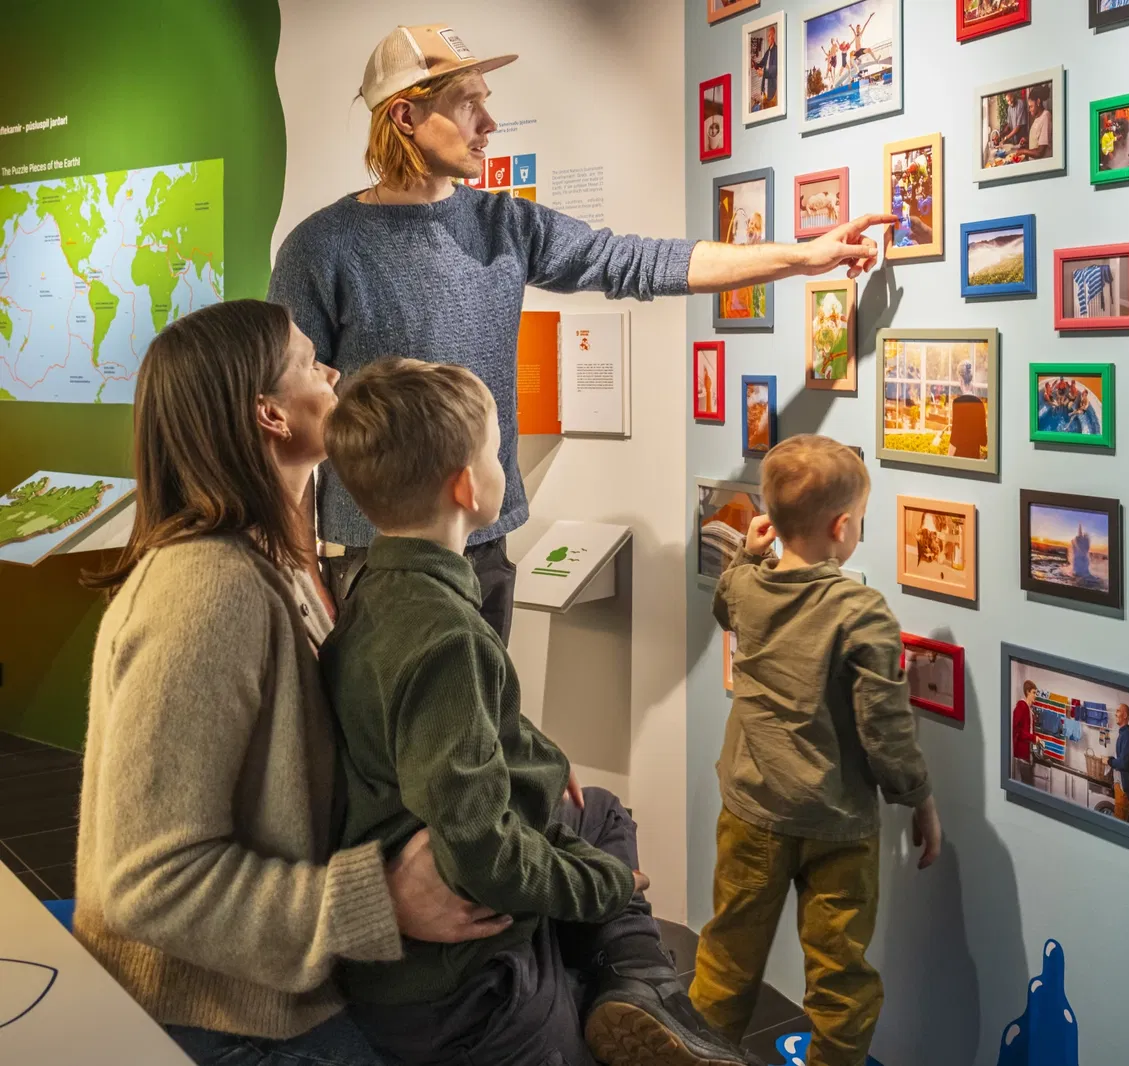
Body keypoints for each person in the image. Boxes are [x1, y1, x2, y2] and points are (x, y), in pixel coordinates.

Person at [269, 23, 895, 644]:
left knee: (485, 732)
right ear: (406, 116)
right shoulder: (321, 248)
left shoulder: (503, 223)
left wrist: (803, 257)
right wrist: (303, 570)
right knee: (390, 740)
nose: (488, 123)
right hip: (373, 559)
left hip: (482, 543)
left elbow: (635, 262)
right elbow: (288, 425)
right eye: (469, 105)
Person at [76, 300, 507, 1066]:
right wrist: (377, 899)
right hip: (225, 1015)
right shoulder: (205, 590)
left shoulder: (280, 562)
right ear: (270, 414)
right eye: (311, 362)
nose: (333, 372)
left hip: (278, 983)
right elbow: (147, 883)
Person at [316, 358, 751, 1066]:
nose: (504, 464)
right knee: (606, 867)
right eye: (497, 449)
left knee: (601, 812)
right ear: (467, 484)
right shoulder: (444, 636)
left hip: (431, 966)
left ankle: (634, 982)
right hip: (467, 994)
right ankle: (628, 980)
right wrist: (605, 885)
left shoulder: (379, 594)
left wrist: (535, 754)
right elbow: (483, 856)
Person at [689, 435, 941, 1066]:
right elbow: (884, 725)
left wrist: (748, 556)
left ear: (774, 520)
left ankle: (696, 1053)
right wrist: (918, 798)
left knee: (726, 955)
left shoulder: (747, 590)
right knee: (841, 975)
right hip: (837, 822)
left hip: (751, 811)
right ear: (844, 526)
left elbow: (726, 601)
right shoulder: (861, 612)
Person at [1105, 705, 1129, 824]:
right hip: (1120, 788)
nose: (1115, 714)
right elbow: (1123, 759)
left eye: (1118, 711)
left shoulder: (1128, 736)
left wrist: (1109, 761)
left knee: (1119, 826)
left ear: (1125, 715)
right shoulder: (1123, 735)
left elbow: (1124, 763)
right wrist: (1111, 759)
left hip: (1124, 791)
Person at [949, 359, 988, 459]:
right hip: (974, 458)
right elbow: (983, 441)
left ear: (960, 380)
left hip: (959, 459)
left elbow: (954, 439)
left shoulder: (957, 403)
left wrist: (948, 460)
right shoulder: (980, 404)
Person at [1012, 680, 1039, 784]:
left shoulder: (1029, 710)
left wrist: (1036, 740)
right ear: (1027, 692)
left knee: (1028, 784)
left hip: (1028, 755)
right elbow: (1017, 730)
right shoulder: (1021, 706)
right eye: (1034, 692)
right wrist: (1033, 738)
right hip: (1022, 755)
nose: (1035, 696)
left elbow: (1029, 731)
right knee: (1027, 785)